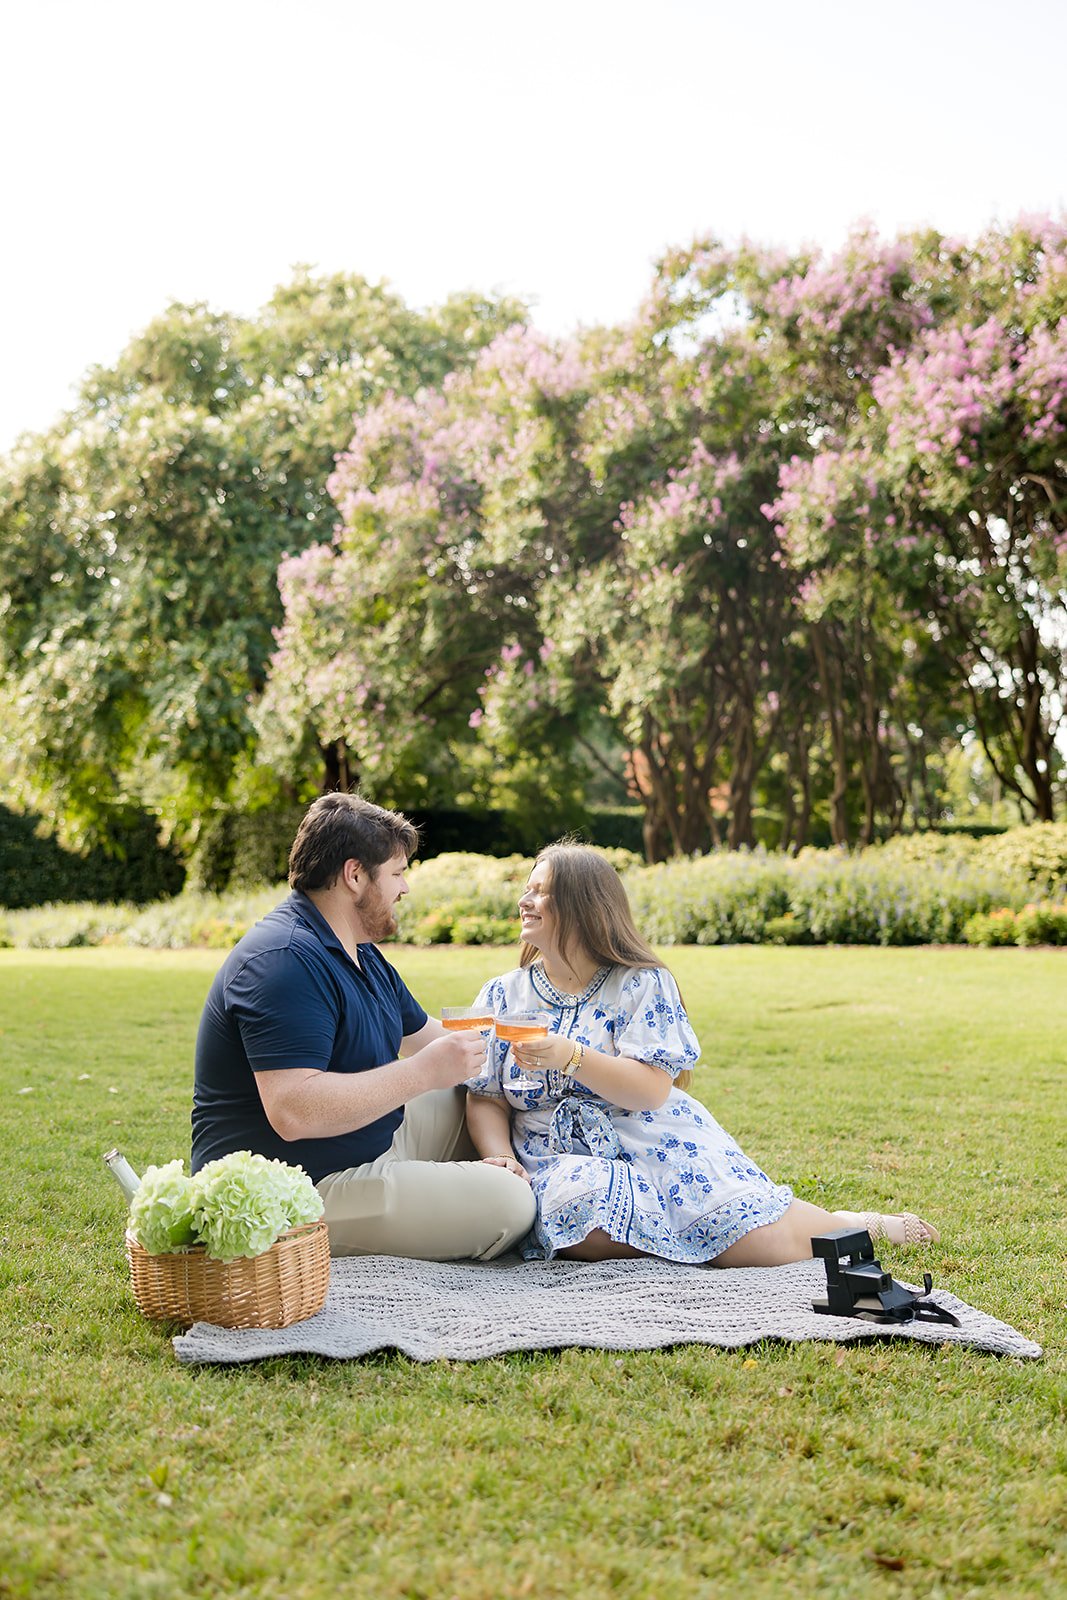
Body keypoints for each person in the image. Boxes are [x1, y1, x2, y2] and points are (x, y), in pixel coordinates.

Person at [465, 843, 939, 1265]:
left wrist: (571, 1055)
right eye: (526, 889)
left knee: (762, 1246)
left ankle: (849, 1227)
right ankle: (699, 1238)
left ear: (583, 906)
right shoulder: (504, 995)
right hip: (554, 1156)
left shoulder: (640, 984)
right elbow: (485, 1094)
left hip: (649, 1137)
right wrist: (502, 1159)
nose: (524, 901)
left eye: (540, 891)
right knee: (580, 1216)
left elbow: (652, 1091)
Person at [192, 793, 535, 1259]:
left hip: (370, 1143)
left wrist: (530, 1043)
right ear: (355, 876)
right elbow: (293, 1111)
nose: (405, 888)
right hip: (298, 1189)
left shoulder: (358, 949)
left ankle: (469, 1178)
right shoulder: (283, 961)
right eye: (397, 873)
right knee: (510, 1203)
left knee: (482, 1097)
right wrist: (421, 1074)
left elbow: (432, 1039)